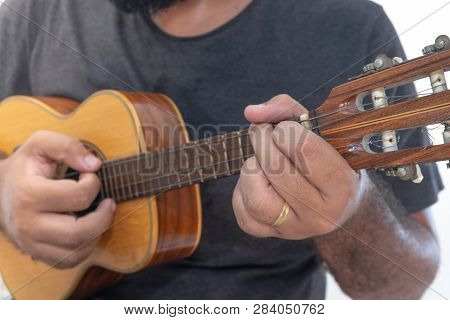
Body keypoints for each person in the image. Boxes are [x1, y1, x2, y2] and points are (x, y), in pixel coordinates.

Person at [0, 0, 444, 299]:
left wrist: (350, 214)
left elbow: (406, 283)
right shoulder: (35, 12)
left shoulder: (347, 23)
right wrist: (6, 198)